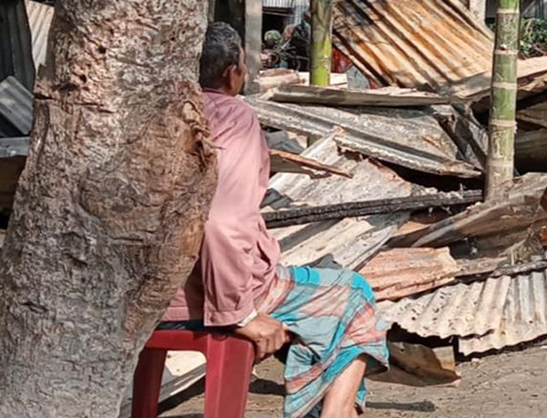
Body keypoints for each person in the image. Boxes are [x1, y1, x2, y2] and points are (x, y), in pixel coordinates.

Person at [163, 22, 389, 418]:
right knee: (354, 295)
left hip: (155, 297)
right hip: (211, 298)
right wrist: (241, 315)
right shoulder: (231, 116)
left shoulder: (157, 115)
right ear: (233, 72)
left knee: (322, 313)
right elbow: (220, 223)